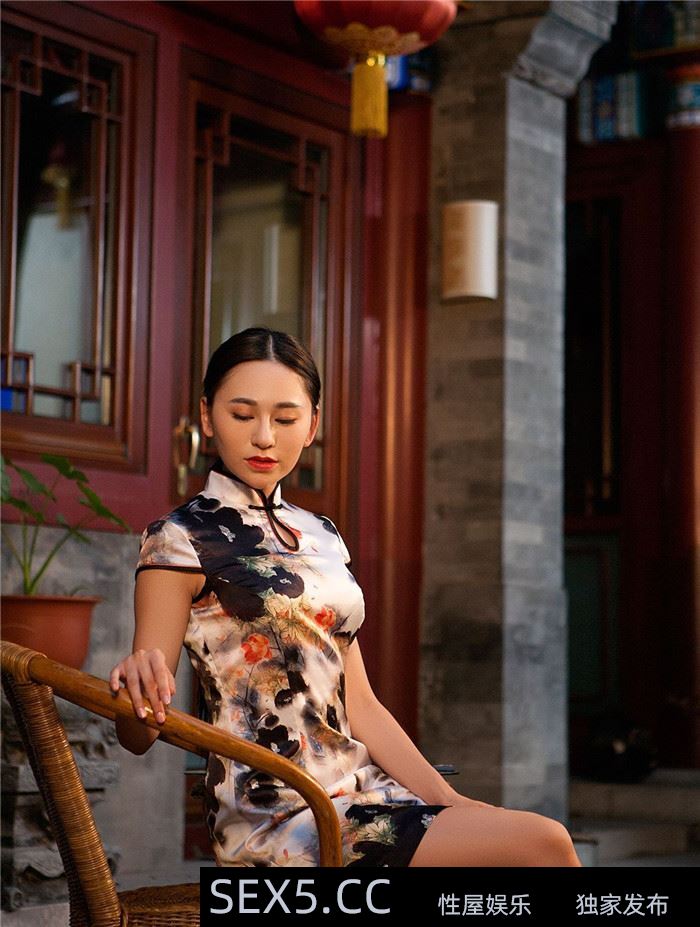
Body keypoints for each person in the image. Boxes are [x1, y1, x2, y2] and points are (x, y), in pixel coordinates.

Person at [110, 326, 582, 868]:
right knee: (544, 843)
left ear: (312, 425)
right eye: (242, 415)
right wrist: (137, 691)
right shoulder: (180, 538)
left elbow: (362, 705)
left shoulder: (322, 536)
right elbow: (137, 733)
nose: (263, 437)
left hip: (364, 794)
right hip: (278, 817)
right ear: (207, 416)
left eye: (285, 419)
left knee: (521, 850)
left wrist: (450, 799)